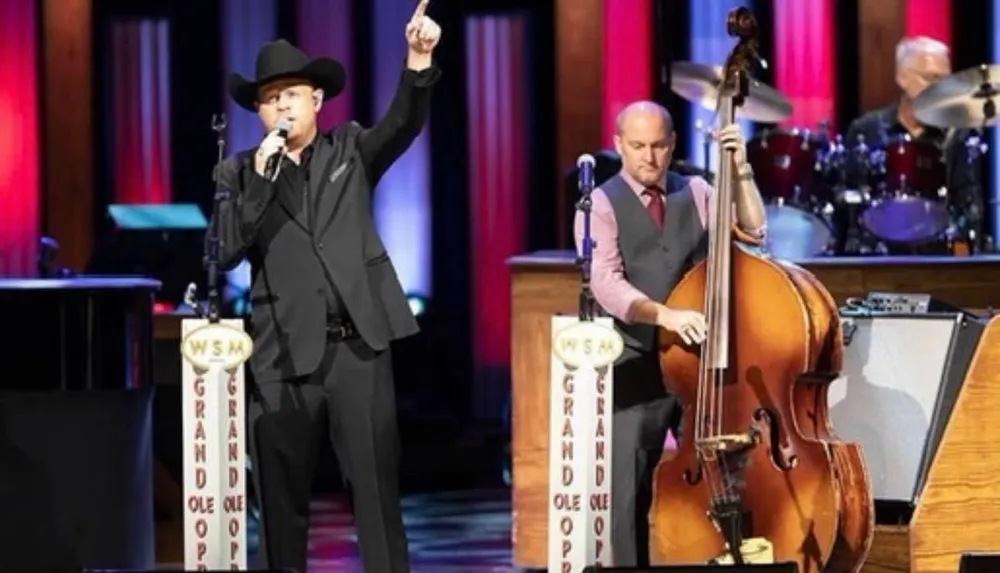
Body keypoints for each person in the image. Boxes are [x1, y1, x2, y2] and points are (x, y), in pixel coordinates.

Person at [210, 1, 441, 571]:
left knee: (375, 496)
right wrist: (261, 184)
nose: (282, 103)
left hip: (356, 348)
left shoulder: (350, 150)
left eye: (294, 92)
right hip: (282, 355)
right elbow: (224, 252)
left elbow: (403, 124)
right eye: (270, 96)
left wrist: (418, 60)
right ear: (257, 111)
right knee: (283, 504)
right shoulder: (238, 173)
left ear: (317, 100)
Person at [572, 101, 767, 567]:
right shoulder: (598, 203)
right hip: (635, 358)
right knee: (628, 487)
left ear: (674, 143)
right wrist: (665, 316)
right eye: (637, 146)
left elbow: (757, 231)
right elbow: (606, 285)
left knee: (728, 479)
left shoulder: (698, 190)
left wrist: (740, 170)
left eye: (659, 145)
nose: (649, 156)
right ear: (618, 144)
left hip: (700, 363)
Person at [844, 36, 984, 251]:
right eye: (931, 78)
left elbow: (967, 205)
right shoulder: (866, 130)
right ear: (902, 78)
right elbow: (849, 200)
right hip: (876, 254)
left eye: (945, 81)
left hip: (938, 256)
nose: (940, 89)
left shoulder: (958, 135)